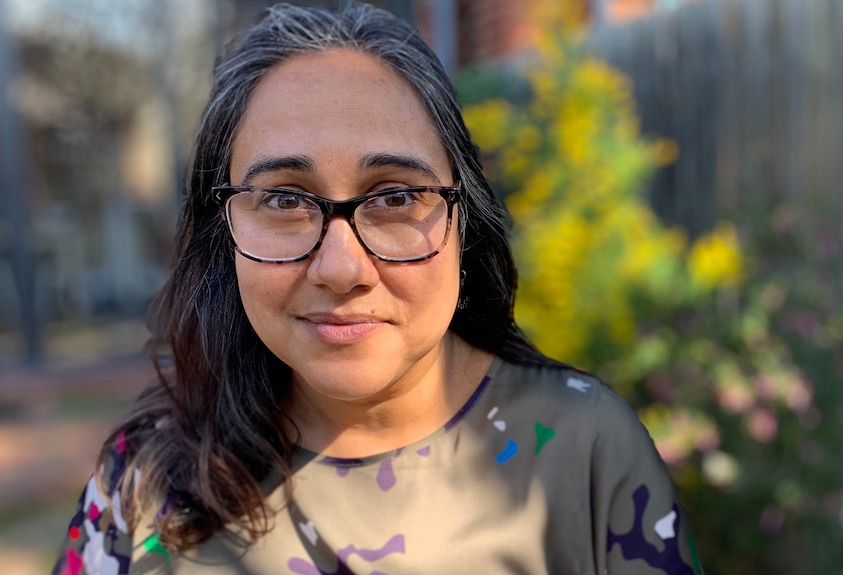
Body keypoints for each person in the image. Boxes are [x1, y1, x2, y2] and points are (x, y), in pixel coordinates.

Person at [52, 3, 702, 574]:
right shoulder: (146, 485)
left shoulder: (586, 450)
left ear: (463, 216)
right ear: (222, 226)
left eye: (395, 195)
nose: (342, 267)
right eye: (283, 198)